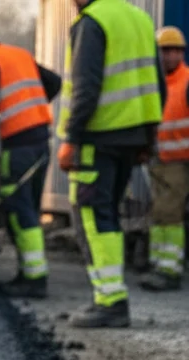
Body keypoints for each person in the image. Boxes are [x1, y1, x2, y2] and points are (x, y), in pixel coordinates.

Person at [57, 0, 166, 328]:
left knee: (92, 213)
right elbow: (157, 85)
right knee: (109, 213)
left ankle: (110, 301)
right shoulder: (140, 19)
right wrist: (148, 138)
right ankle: (111, 296)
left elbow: (85, 88)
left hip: (98, 136)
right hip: (130, 137)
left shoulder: (92, 22)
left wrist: (71, 139)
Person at [0, 22, 63, 298]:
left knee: (18, 208)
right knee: (30, 205)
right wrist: (34, 107)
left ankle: (35, 278)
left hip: (16, 145)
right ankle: (27, 273)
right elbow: (55, 82)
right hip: (40, 141)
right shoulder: (19, 55)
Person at [143, 26, 189, 291]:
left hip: (179, 161)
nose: (170, 56)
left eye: (175, 51)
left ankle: (169, 270)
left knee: (169, 214)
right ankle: (158, 263)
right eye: (165, 51)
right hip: (160, 159)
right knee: (159, 213)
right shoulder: (157, 85)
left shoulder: (186, 82)